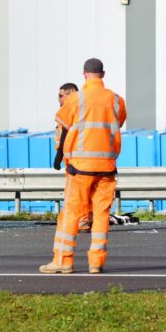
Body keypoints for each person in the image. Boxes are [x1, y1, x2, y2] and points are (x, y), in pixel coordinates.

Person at [40, 58, 127, 274]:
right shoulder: (117, 100)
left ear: (84, 74)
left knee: (71, 213)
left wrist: (59, 155)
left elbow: (63, 126)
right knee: (100, 215)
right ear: (103, 74)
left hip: (79, 168)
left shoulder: (75, 99)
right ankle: (96, 262)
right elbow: (118, 123)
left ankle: (63, 260)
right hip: (107, 167)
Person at [54, 83, 92, 232]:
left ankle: (81, 222)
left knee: (76, 194)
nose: (58, 99)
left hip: (75, 158)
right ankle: (90, 219)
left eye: (61, 95)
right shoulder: (83, 108)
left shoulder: (71, 109)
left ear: (72, 93)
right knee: (87, 192)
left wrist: (59, 154)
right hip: (80, 157)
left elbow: (65, 133)